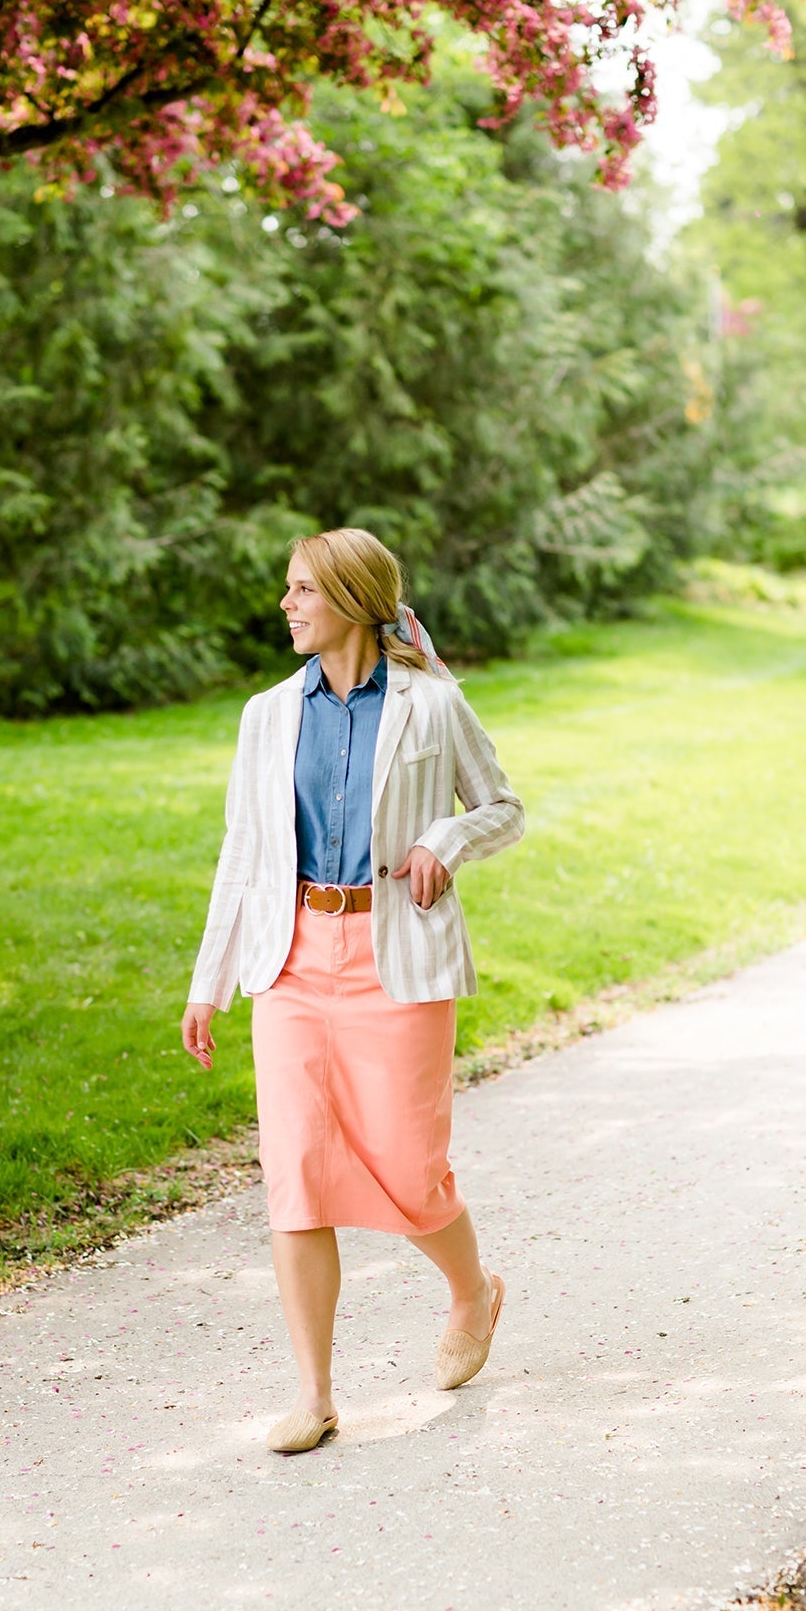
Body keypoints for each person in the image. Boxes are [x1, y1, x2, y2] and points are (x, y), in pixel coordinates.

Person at [180, 528, 524, 1454]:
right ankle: (316, 1395)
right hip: (290, 960)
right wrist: (209, 982)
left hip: (394, 955)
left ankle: (470, 1294)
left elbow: (501, 807)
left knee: (411, 1171)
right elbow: (243, 853)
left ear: (352, 598)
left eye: (301, 590)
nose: (286, 606)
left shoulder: (432, 702)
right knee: (296, 1177)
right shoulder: (266, 716)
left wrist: (441, 845)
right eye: (287, 590)